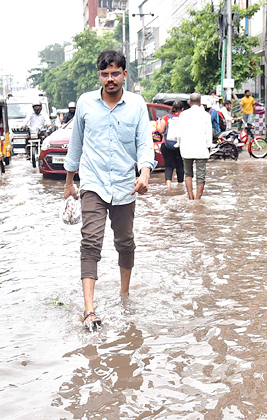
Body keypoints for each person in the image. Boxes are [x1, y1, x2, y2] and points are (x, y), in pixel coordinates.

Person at [63, 49, 155, 330]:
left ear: (125, 74)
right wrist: (69, 183)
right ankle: (90, 310)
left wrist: (145, 173)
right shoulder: (86, 103)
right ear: (99, 76)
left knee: (125, 241)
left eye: (115, 73)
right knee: (90, 241)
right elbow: (76, 144)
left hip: (126, 185)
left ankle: (124, 294)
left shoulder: (137, 105)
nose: (110, 79)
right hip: (93, 183)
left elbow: (144, 143)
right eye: (105, 74)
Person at [172, 92, 213, 201]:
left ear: (190, 102)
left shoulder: (183, 115)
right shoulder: (206, 115)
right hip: (201, 149)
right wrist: (209, 146)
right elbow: (209, 134)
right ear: (200, 102)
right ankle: (198, 200)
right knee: (201, 175)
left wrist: (180, 144)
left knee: (188, 173)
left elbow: (179, 133)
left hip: (186, 149)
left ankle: (190, 198)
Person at [158, 101, 186, 189]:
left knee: (168, 166)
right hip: (181, 145)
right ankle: (181, 185)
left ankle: (168, 187)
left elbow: (161, 130)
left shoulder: (166, 117)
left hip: (167, 145)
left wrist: (158, 123)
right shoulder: (184, 117)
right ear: (182, 109)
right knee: (180, 165)